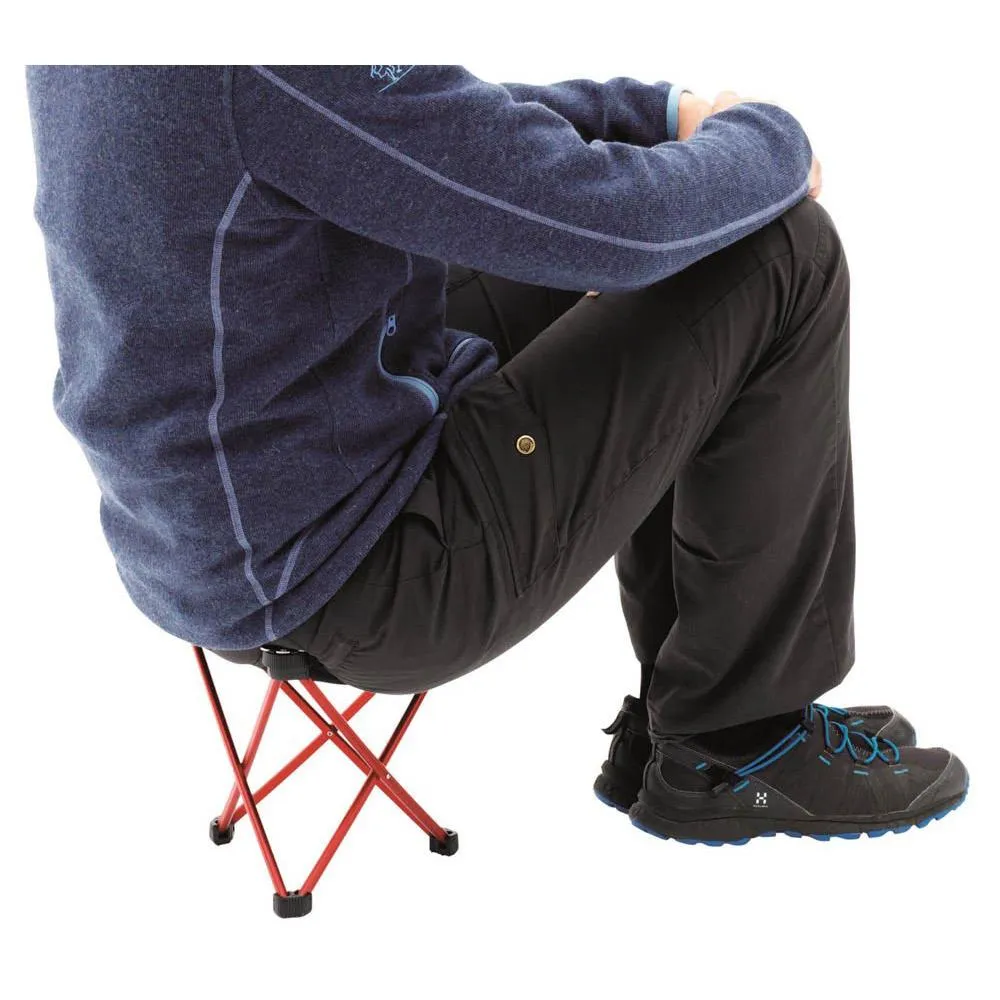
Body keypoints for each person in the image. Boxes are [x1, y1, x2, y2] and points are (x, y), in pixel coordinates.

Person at [26, 65, 967, 845]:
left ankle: (689, 715)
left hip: (204, 533)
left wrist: (652, 114)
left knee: (691, 225)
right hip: (366, 575)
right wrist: (772, 139)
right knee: (777, 249)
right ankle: (738, 741)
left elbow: (405, 122)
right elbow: (615, 223)